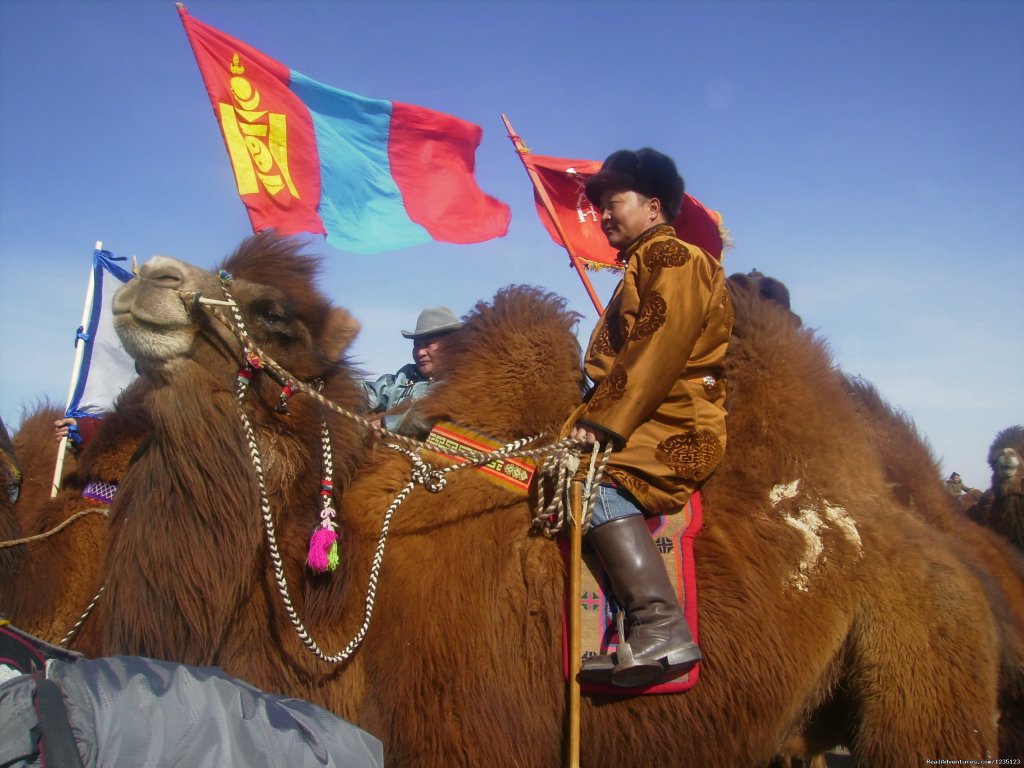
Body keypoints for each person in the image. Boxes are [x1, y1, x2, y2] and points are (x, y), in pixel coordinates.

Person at [568, 148, 733, 687]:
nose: (604, 215)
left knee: (592, 487)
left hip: (674, 420)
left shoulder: (676, 259)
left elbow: (657, 348)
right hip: (648, 411)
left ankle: (662, 626)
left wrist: (598, 421)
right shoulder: (645, 263)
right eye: (601, 206)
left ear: (654, 205)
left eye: (614, 202)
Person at [363, 306, 464, 434]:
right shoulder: (406, 376)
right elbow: (373, 393)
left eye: (428, 344)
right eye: (416, 345)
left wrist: (388, 424)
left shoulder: (463, 382)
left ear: (450, 345)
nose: (420, 352)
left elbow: (434, 411)